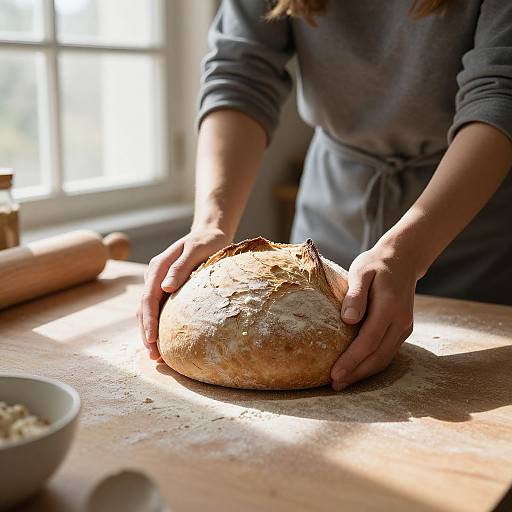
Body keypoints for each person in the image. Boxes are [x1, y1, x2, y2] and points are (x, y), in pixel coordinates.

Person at [138, 0, 512, 391]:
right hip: (329, 220)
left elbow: (500, 94)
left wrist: (409, 250)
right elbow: (240, 75)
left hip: (470, 224)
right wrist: (209, 224)